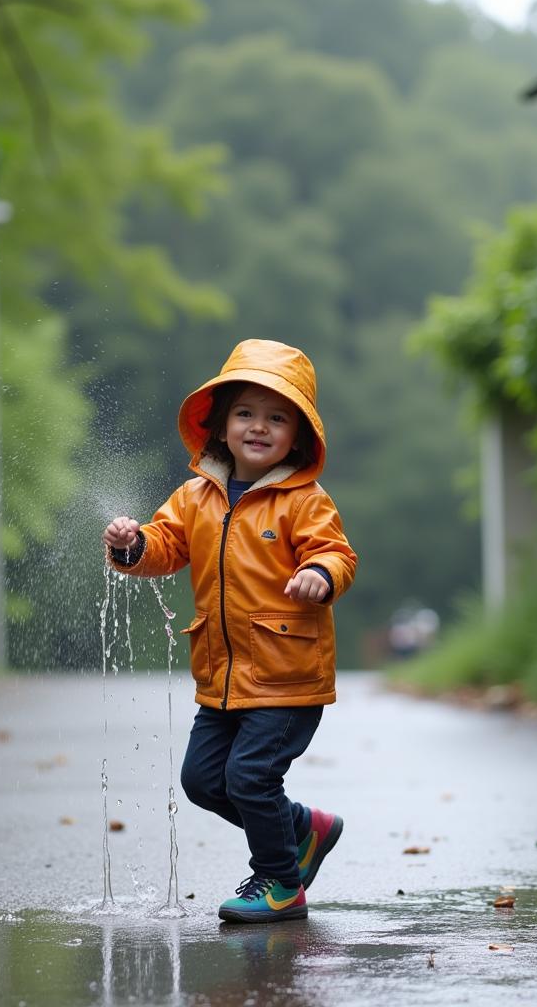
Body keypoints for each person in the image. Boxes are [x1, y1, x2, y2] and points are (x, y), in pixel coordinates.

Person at [102, 338, 358, 924]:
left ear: (299, 435)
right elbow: (164, 545)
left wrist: (319, 574)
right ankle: (302, 829)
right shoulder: (196, 497)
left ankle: (280, 881)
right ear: (219, 424)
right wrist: (131, 545)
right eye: (245, 413)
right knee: (201, 781)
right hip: (220, 676)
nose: (259, 427)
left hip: (286, 677)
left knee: (249, 777)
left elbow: (336, 552)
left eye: (277, 418)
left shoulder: (304, 500)